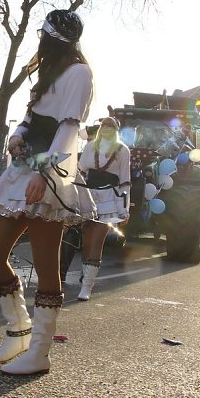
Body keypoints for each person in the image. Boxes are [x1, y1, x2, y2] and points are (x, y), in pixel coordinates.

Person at [0, 9, 93, 375]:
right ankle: (18, 330)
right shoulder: (48, 74)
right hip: (23, 168)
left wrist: (46, 175)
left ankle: (40, 351)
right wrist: (17, 135)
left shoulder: (79, 73)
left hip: (51, 172)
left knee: (47, 264)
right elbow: (33, 118)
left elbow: (69, 129)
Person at [73, 116, 131, 301]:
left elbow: (125, 181)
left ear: (115, 130)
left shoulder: (123, 150)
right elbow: (80, 172)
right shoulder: (90, 147)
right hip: (89, 195)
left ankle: (87, 287)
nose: (106, 128)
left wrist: (124, 209)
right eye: (104, 125)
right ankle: (86, 277)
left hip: (110, 199)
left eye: (111, 126)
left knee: (97, 240)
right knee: (87, 241)